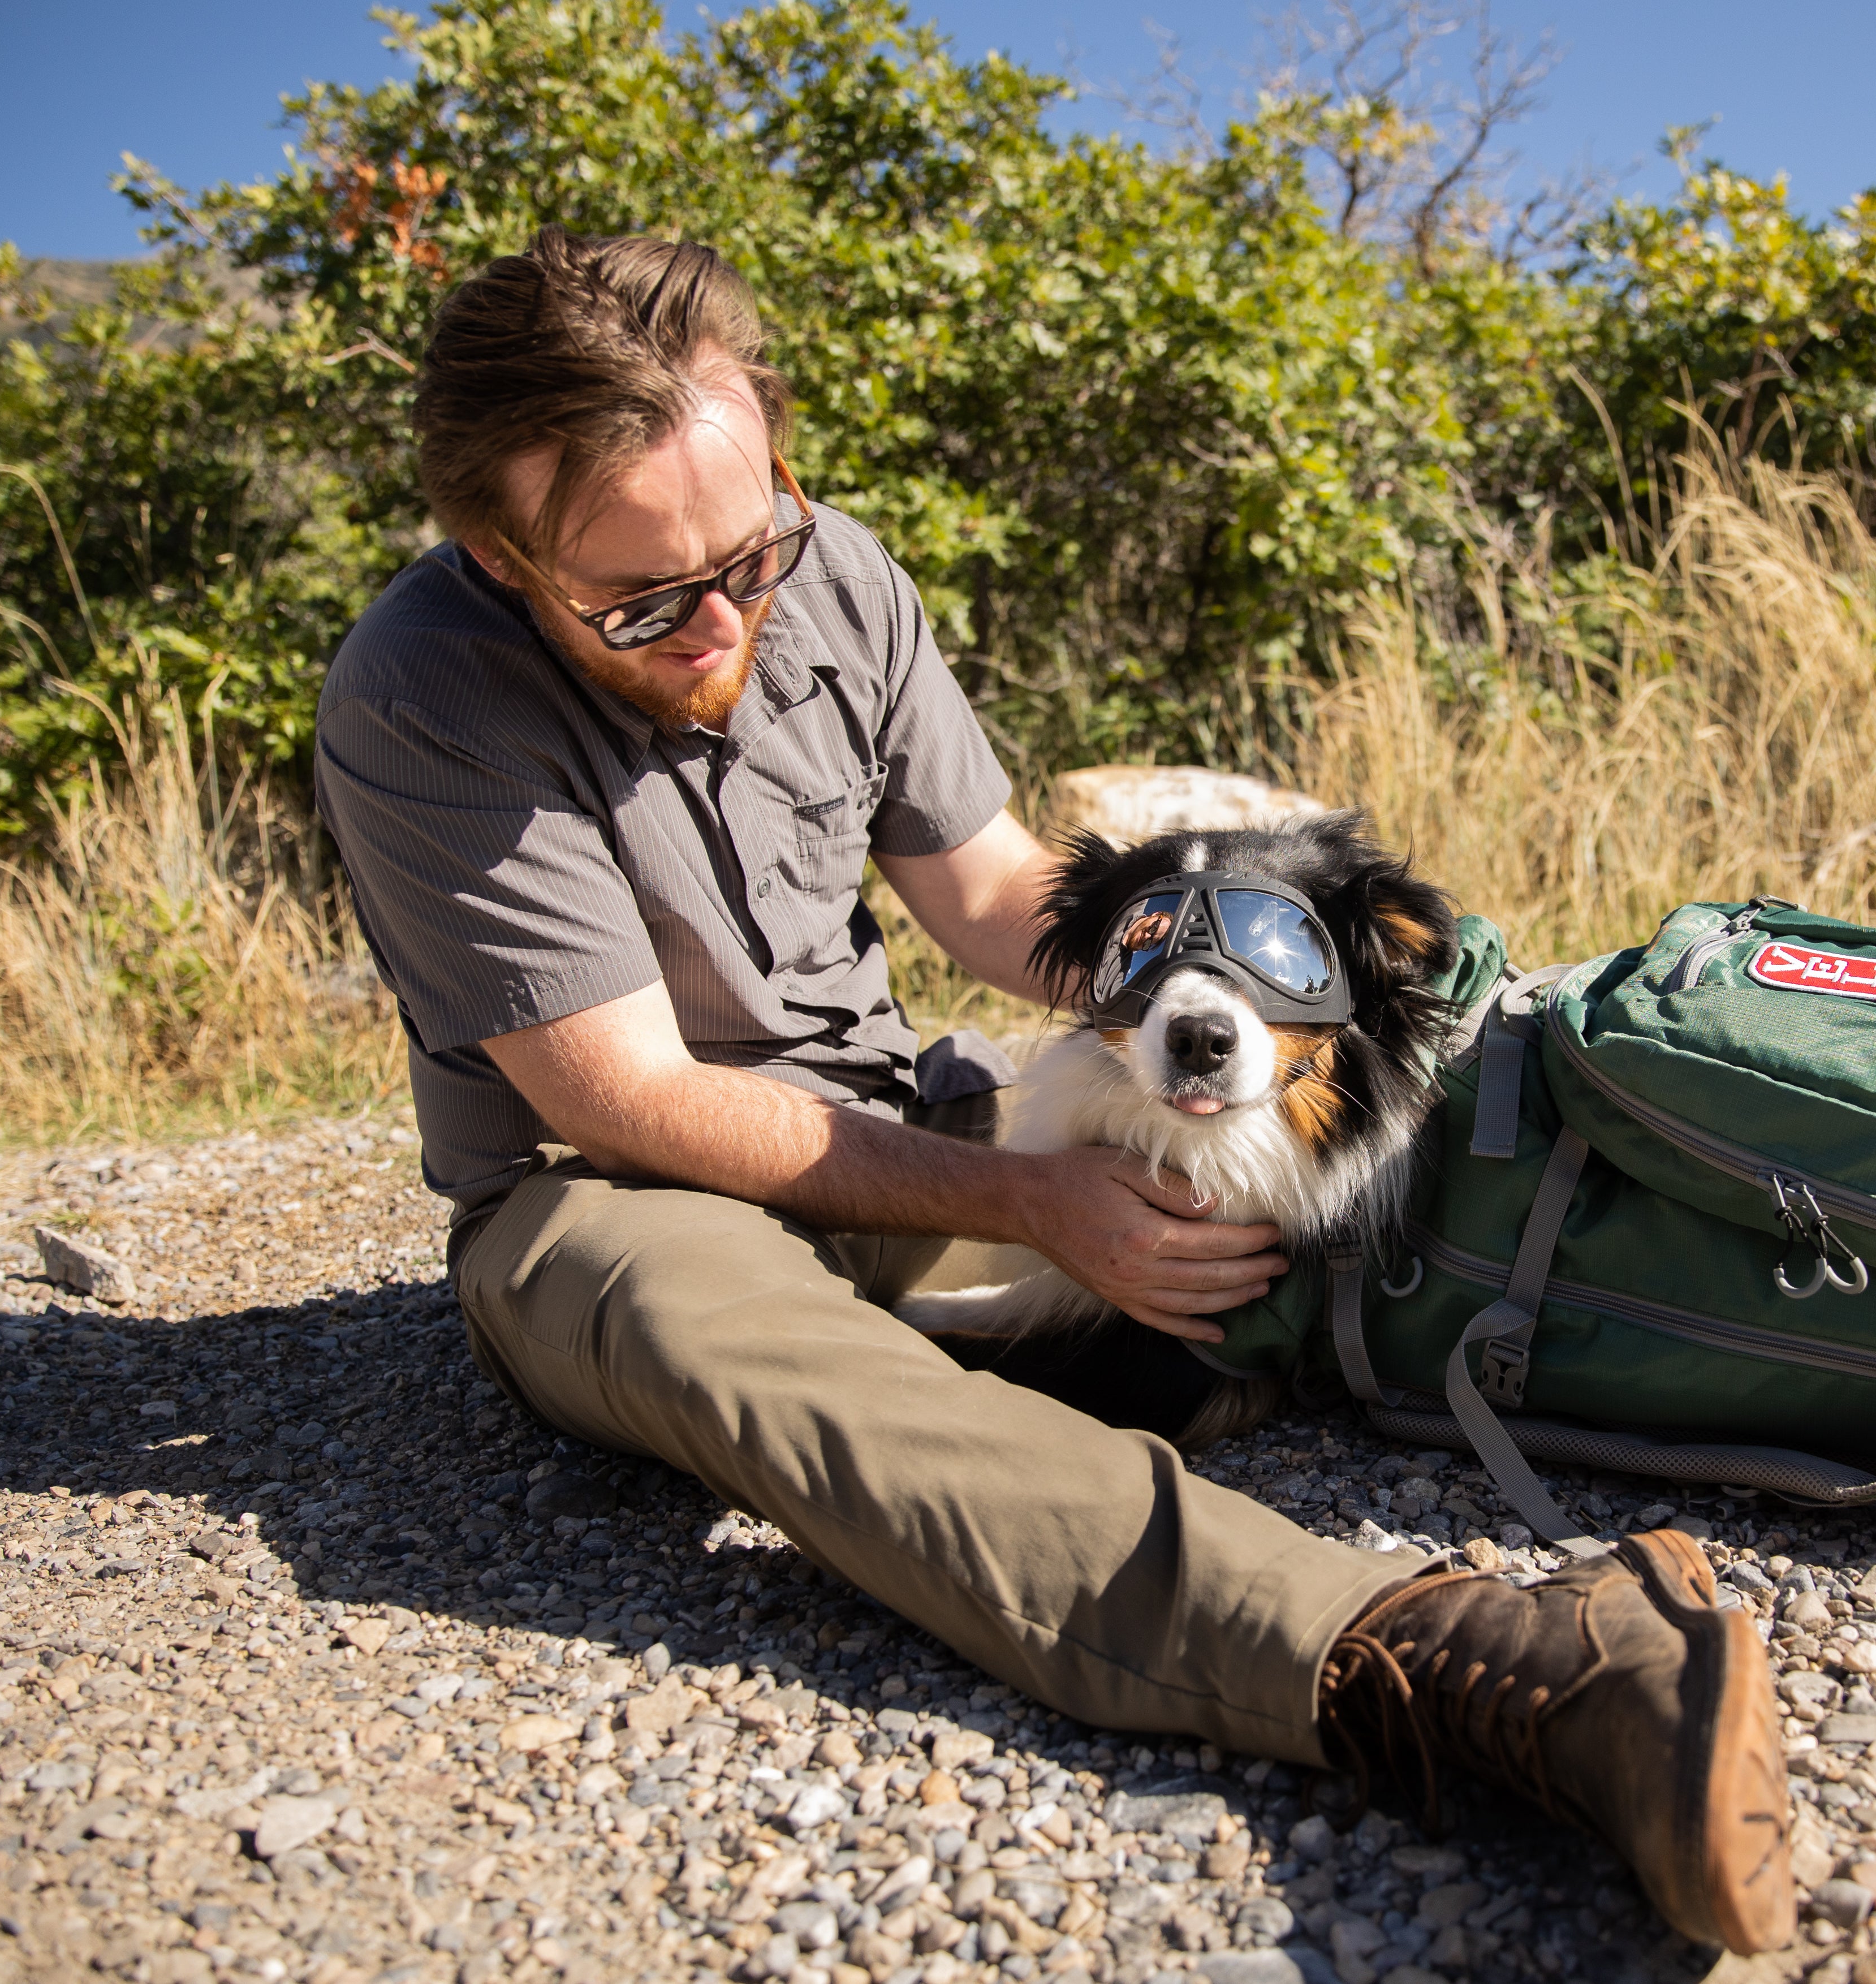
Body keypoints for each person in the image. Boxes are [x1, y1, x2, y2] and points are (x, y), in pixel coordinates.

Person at [312, 227, 1791, 1953]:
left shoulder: (840, 577)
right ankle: (1475, 1667)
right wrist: (1032, 1204)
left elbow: (1002, 898)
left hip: (897, 1122)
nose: (727, 623)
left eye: (751, 551)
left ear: (777, 457)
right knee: (714, 1326)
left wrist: (1274, 978)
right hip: (618, 1195)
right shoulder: (419, 696)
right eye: (642, 603)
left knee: (1279, 1166)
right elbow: (626, 1094)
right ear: (500, 559)